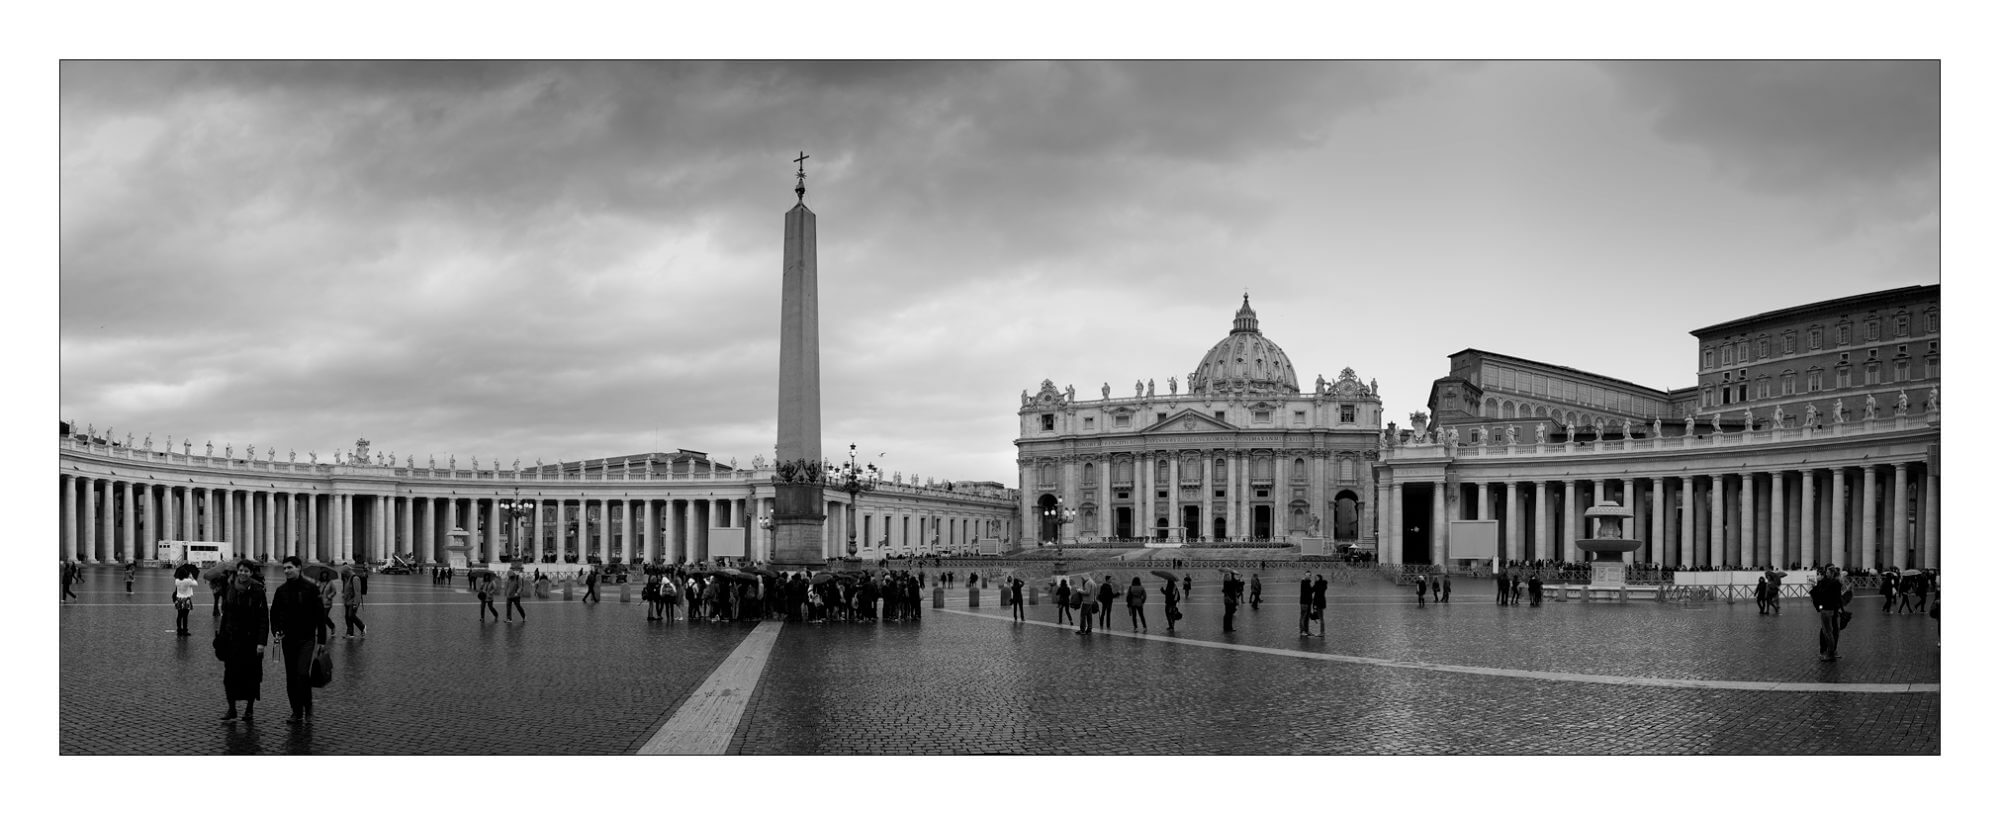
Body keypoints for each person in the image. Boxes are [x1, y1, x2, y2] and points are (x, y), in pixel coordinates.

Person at [269, 557, 325, 725]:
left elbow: (320, 616)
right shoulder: (281, 590)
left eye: (290, 568)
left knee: (302, 674)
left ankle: (307, 708)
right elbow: (274, 614)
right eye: (284, 568)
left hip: (306, 639)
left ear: (299, 568)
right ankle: (296, 711)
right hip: (288, 639)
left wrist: (321, 640)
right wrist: (276, 631)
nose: (286, 571)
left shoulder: (311, 588)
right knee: (291, 677)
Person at [216, 559, 268, 722]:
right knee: (229, 676)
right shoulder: (230, 588)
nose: (243, 573)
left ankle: (249, 709)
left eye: (246, 571)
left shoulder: (258, 590)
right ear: (237, 572)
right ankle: (232, 709)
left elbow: (263, 618)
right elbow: (226, 616)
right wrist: (221, 636)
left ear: (251, 573)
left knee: (251, 676)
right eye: (241, 570)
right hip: (232, 640)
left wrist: (261, 642)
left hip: (250, 641)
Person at [1809, 567, 1852, 662]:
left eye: (1827, 572)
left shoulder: (1833, 584)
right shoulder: (1834, 583)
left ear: (1832, 573)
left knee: (1828, 632)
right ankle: (1831, 652)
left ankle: (1830, 653)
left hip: (1827, 610)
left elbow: (1822, 594)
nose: (1826, 574)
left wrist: (1813, 588)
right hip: (1830, 609)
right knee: (1829, 631)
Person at [172, 569, 199, 635]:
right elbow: (196, 584)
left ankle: (179, 629)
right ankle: (185, 630)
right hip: (186, 599)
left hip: (179, 599)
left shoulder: (177, 581)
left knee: (179, 615)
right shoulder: (188, 581)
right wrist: (191, 577)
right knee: (185, 616)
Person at [340, 574, 367, 638]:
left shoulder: (354, 579)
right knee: (347, 616)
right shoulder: (346, 579)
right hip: (347, 601)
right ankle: (350, 633)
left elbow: (357, 593)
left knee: (351, 615)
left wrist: (355, 604)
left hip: (353, 601)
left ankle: (362, 627)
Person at [316, 568, 338, 639]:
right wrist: (317, 586)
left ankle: (332, 626)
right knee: (320, 617)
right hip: (320, 603)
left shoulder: (330, 582)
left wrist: (329, 596)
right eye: (323, 574)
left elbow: (334, 591)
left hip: (327, 603)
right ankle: (320, 631)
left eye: (325, 574)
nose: (324, 575)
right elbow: (315, 591)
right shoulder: (319, 582)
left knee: (324, 617)